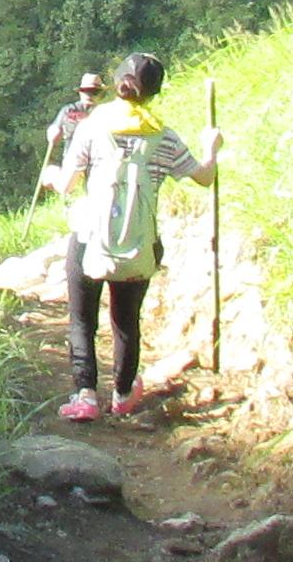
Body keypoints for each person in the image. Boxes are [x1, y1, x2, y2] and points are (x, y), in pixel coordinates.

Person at [52, 49, 213, 421]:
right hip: (141, 243)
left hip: (90, 237)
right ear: (155, 92)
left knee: (82, 320)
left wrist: (50, 177)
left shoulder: (93, 126)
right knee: (126, 321)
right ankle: (123, 395)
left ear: (116, 85)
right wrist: (211, 147)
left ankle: (85, 395)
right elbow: (204, 177)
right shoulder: (164, 137)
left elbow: (66, 184)